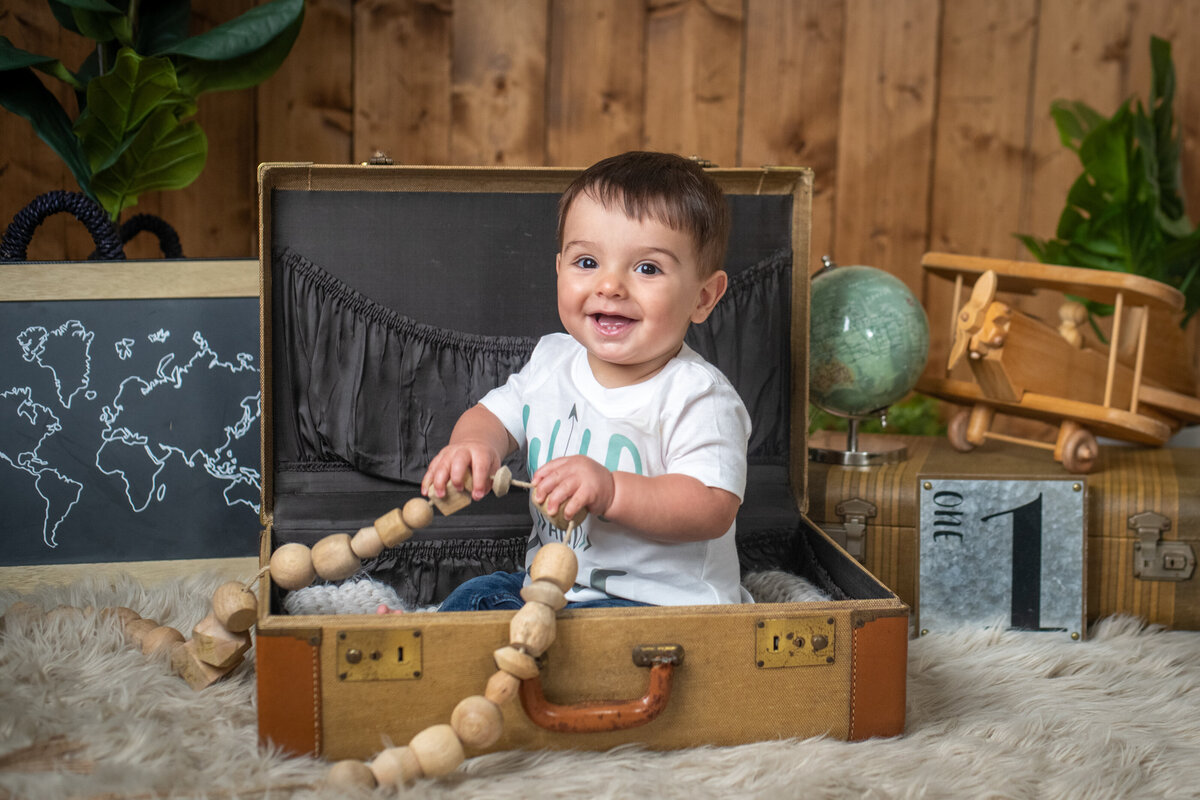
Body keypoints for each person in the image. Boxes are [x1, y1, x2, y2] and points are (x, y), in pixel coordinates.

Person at [422, 151, 751, 611]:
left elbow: (712, 505)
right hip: (550, 586)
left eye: (647, 268)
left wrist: (612, 490)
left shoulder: (698, 396)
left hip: (659, 606)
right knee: (472, 598)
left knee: (581, 651)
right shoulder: (552, 360)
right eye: (587, 262)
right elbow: (493, 416)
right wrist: (474, 447)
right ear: (559, 270)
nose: (611, 286)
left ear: (703, 296)